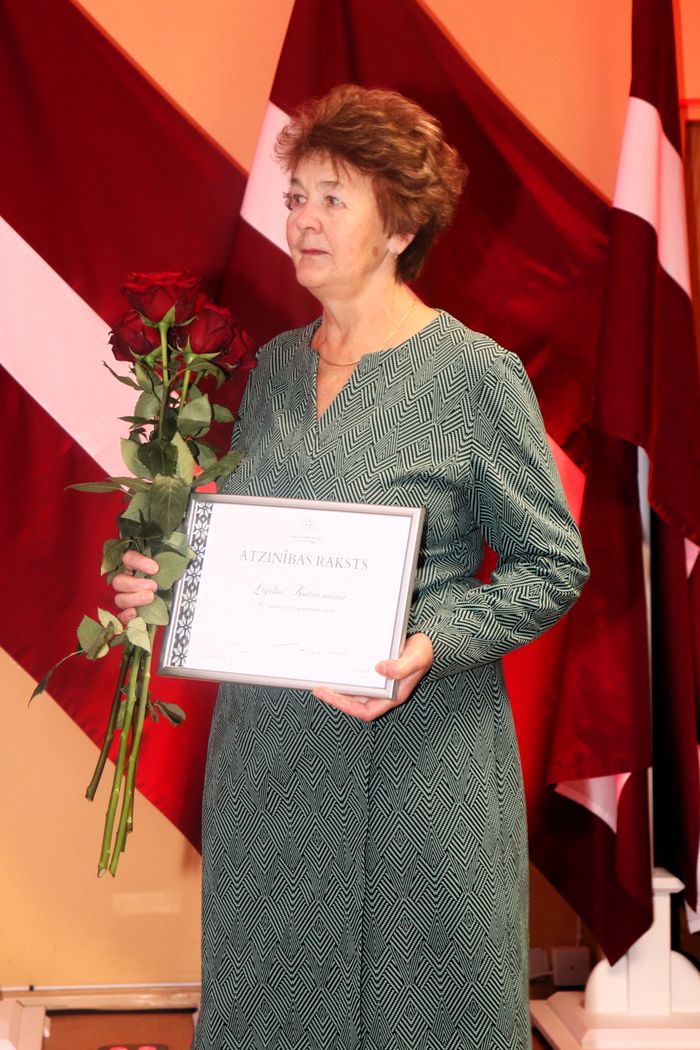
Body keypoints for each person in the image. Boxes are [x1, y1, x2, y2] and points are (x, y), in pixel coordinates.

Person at [114, 85, 589, 1050]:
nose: (303, 219)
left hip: (423, 762)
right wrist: (169, 586)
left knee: (428, 1016)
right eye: (297, 197)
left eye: (334, 198)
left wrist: (428, 643)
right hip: (270, 771)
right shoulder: (272, 369)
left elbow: (550, 563)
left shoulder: (475, 374)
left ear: (403, 225)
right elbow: (261, 555)